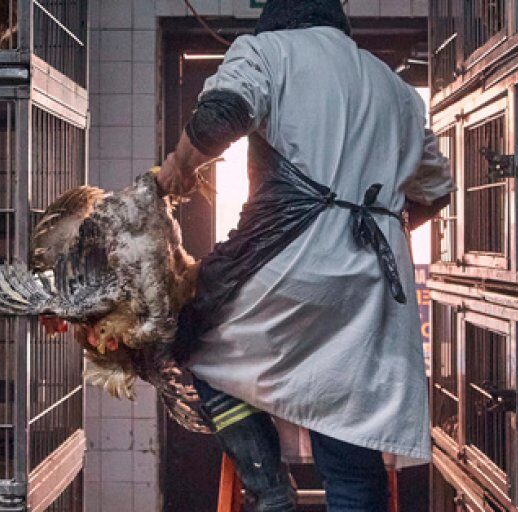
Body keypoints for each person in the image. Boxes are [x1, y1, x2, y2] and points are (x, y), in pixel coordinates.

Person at [156, 1, 454, 510]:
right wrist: (377, 226)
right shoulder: (396, 89)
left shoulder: (267, 52)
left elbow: (221, 115)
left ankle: (271, 491)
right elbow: (436, 190)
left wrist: (175, 172)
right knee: (349, 440)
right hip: (370, 296)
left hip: (289, 273)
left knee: (195, 345)